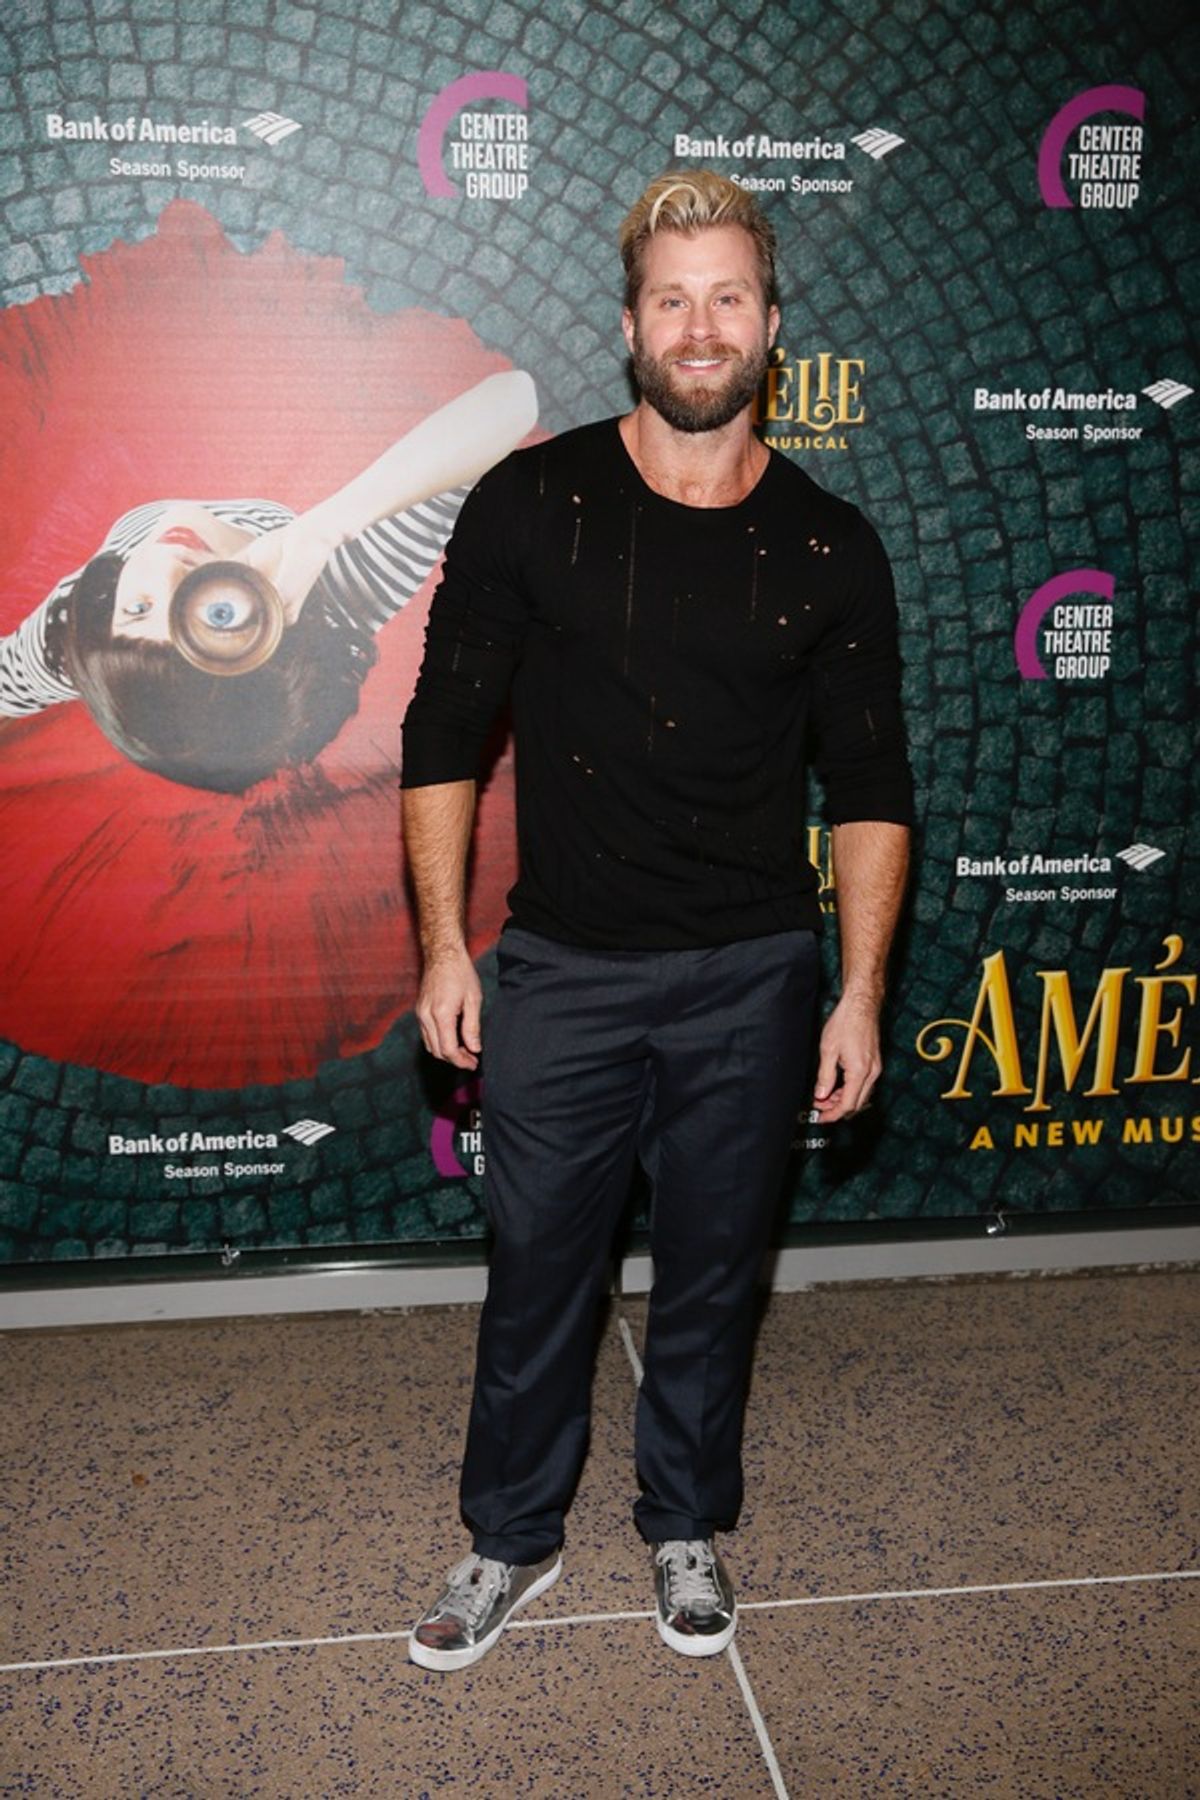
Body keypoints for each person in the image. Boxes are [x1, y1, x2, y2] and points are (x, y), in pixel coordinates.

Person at [400, 170, 913, 1672]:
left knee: (712, 1273)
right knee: (536, 1275)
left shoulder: (831, 546)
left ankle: (686, 1520)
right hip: (563, 965)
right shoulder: (530, 502)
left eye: (728, 297)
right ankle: (509, 1539)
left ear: (773, 324)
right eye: (673, 299)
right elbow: (443, 734)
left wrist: (860, 992)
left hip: (754, 975)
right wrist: (444, 946)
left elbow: (872, 788)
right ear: (630, 327)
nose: (701, 326)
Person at [0, 372, 537, 791]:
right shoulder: (345, 590)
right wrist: (326, 529)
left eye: (138, 608)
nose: (166, 567)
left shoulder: (74, 628)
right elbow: (514, 399)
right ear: (266, 643)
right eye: (214, 618)